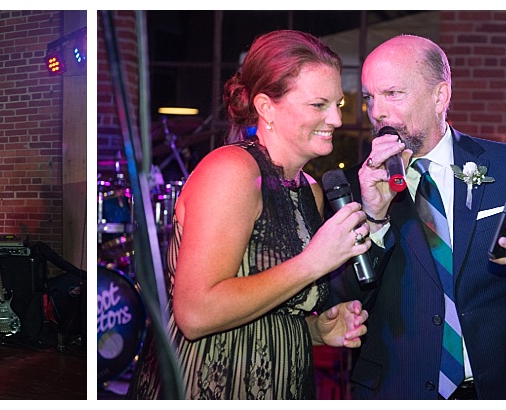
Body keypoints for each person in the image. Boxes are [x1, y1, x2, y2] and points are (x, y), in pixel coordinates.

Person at [334, 35, 506, 399]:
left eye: (393, 94)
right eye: (371, 97)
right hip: (400, 389)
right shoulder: (355, 186)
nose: (377, 112)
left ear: (440, 96)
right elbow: (339, 301)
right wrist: (373, 218)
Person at [127, 30, 370, 400]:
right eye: (319, 105)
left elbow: (262, 310)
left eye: (338, 103)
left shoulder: (310, 190)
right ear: (266, 107)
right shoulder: (232, 171)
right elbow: (195, 314)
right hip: (207, 386)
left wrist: (313, 329)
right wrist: (312, 262)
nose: (336, 119)